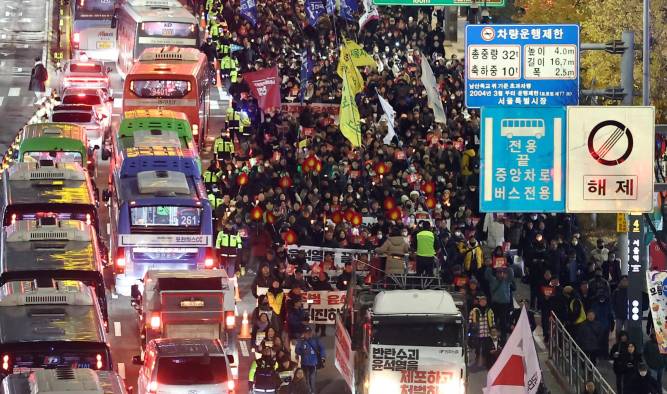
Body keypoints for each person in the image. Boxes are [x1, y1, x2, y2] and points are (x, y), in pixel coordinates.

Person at [484, 265, 514, 335]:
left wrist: (507, 266)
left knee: (503, 321)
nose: (500, 274)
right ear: (496, 273)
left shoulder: (507, 280)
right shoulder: (493, 280)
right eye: (499, 272)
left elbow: (511, 274)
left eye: (502, 272)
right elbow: (487, 275)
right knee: (493, 320)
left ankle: (503, 336)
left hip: (504, 304)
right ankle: (492, 335)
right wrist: (490, 266)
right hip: (495, 303)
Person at [295, 326, 325, 393]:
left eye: (309, 333)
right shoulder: (301, 341)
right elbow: (297, 350)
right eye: (306, 333)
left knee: (312, 379)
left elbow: (322, 348)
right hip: (304, 363)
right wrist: (302, 352)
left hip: (313, 363)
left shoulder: (315, 339)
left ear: (311, 333)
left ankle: (313, 391)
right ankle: (308, 391)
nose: (308, 334)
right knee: (306, 379)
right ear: (303, 333)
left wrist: (323, 357)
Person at [468, 295, 494, 367]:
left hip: (487, 334)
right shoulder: (474, 311)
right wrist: (470, 332)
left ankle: (486, 362)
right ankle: (477, 360)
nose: (483, 302)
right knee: (477, 348)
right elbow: (470, 321)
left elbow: (492, 321)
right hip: (477, 334)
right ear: (479, 302)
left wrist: (493, 330)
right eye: (481, 301)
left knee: (486, 348)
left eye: (484, 301)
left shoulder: (489, 311)